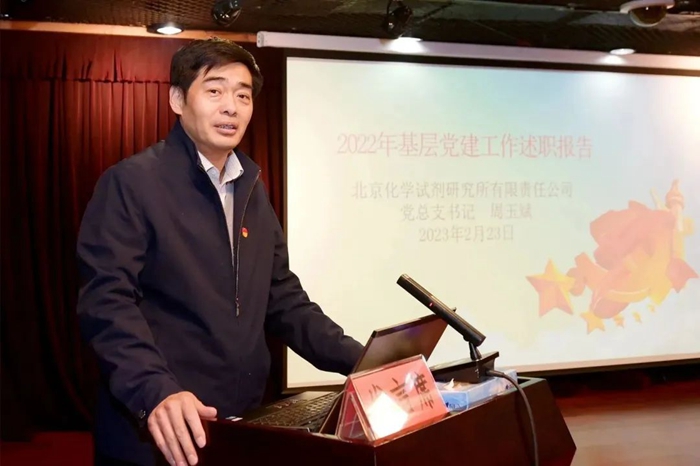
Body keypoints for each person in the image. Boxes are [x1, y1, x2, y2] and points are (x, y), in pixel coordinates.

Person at [76, 37, 364, 466]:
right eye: (215, 90)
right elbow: (106, 302)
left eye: (243, 96)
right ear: (177, 100)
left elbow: (283, 300)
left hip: (240, 426)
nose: (231, 107)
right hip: (159, 432)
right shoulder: (132, 183)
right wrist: (156, 391)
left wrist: (362, 363)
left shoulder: (251, 189)